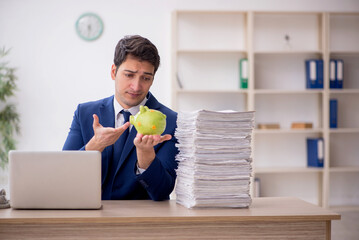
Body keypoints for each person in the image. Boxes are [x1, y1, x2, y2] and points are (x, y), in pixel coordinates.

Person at [63, 35, 178, 201]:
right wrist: (96, 145)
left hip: (141, 221)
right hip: (87, 215)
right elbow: (65, 174)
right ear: (113, 72)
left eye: (146, 78)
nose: (136, 86)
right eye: (129, 75)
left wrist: (146, 156)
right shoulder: (85, 113)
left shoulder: (171, 121)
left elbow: (161, 192)